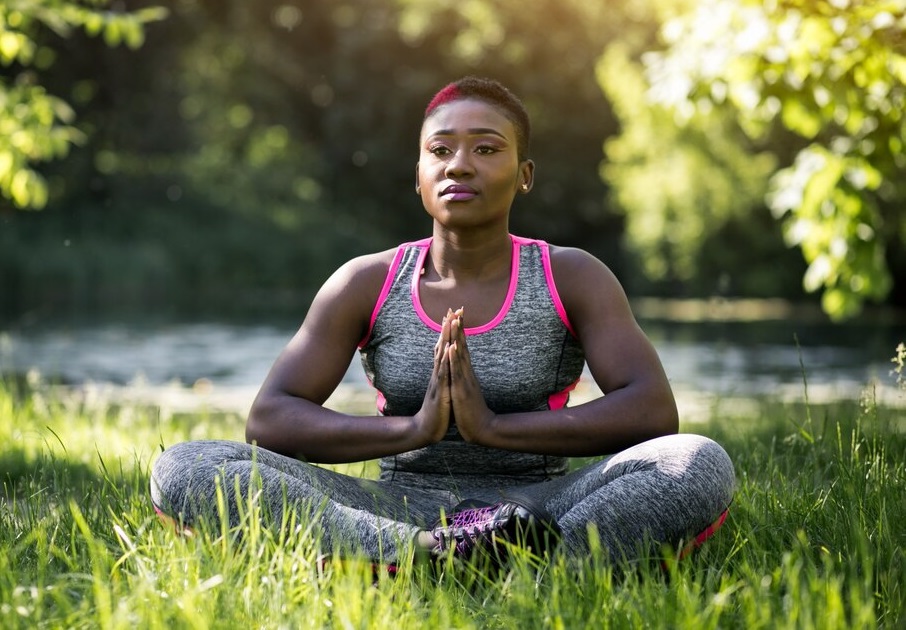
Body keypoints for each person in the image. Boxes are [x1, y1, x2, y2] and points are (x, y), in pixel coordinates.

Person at [150, 77, 735, 569]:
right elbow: (271, 420)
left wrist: (492, 427)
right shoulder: (366, 281)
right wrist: (415, 430)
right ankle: (439, 554)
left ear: (524, 174)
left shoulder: (571, 275)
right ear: (419, 173)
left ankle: (487, 559)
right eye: (441, 150)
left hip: (540, 506)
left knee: (695, 460)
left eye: (486, 149)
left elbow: (653, 412)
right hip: (395, 505)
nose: (460, 164)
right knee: (187, 466)